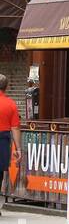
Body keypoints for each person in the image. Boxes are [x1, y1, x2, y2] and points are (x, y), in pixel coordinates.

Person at [0, 74, 21, 206]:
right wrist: (18, 148)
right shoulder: (11, 104)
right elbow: (15, 128)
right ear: (6, 87)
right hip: (3, 139)